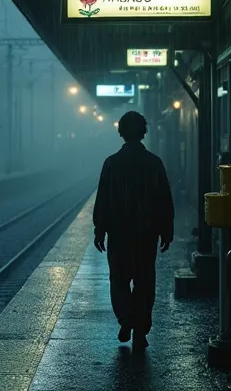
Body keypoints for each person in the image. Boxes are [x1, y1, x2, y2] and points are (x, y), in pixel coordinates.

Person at [93, 110, 175, 351]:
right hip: (146, 235)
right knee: (144, 281)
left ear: (120, 133)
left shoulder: (111, 163)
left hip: (119, 235)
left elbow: (103, 200)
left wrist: (100, 230)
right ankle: (140, 330)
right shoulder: (154, 163)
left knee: (119, 281)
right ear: (143, 132)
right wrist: (166, 229)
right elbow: (164, 200)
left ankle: (126, 319)